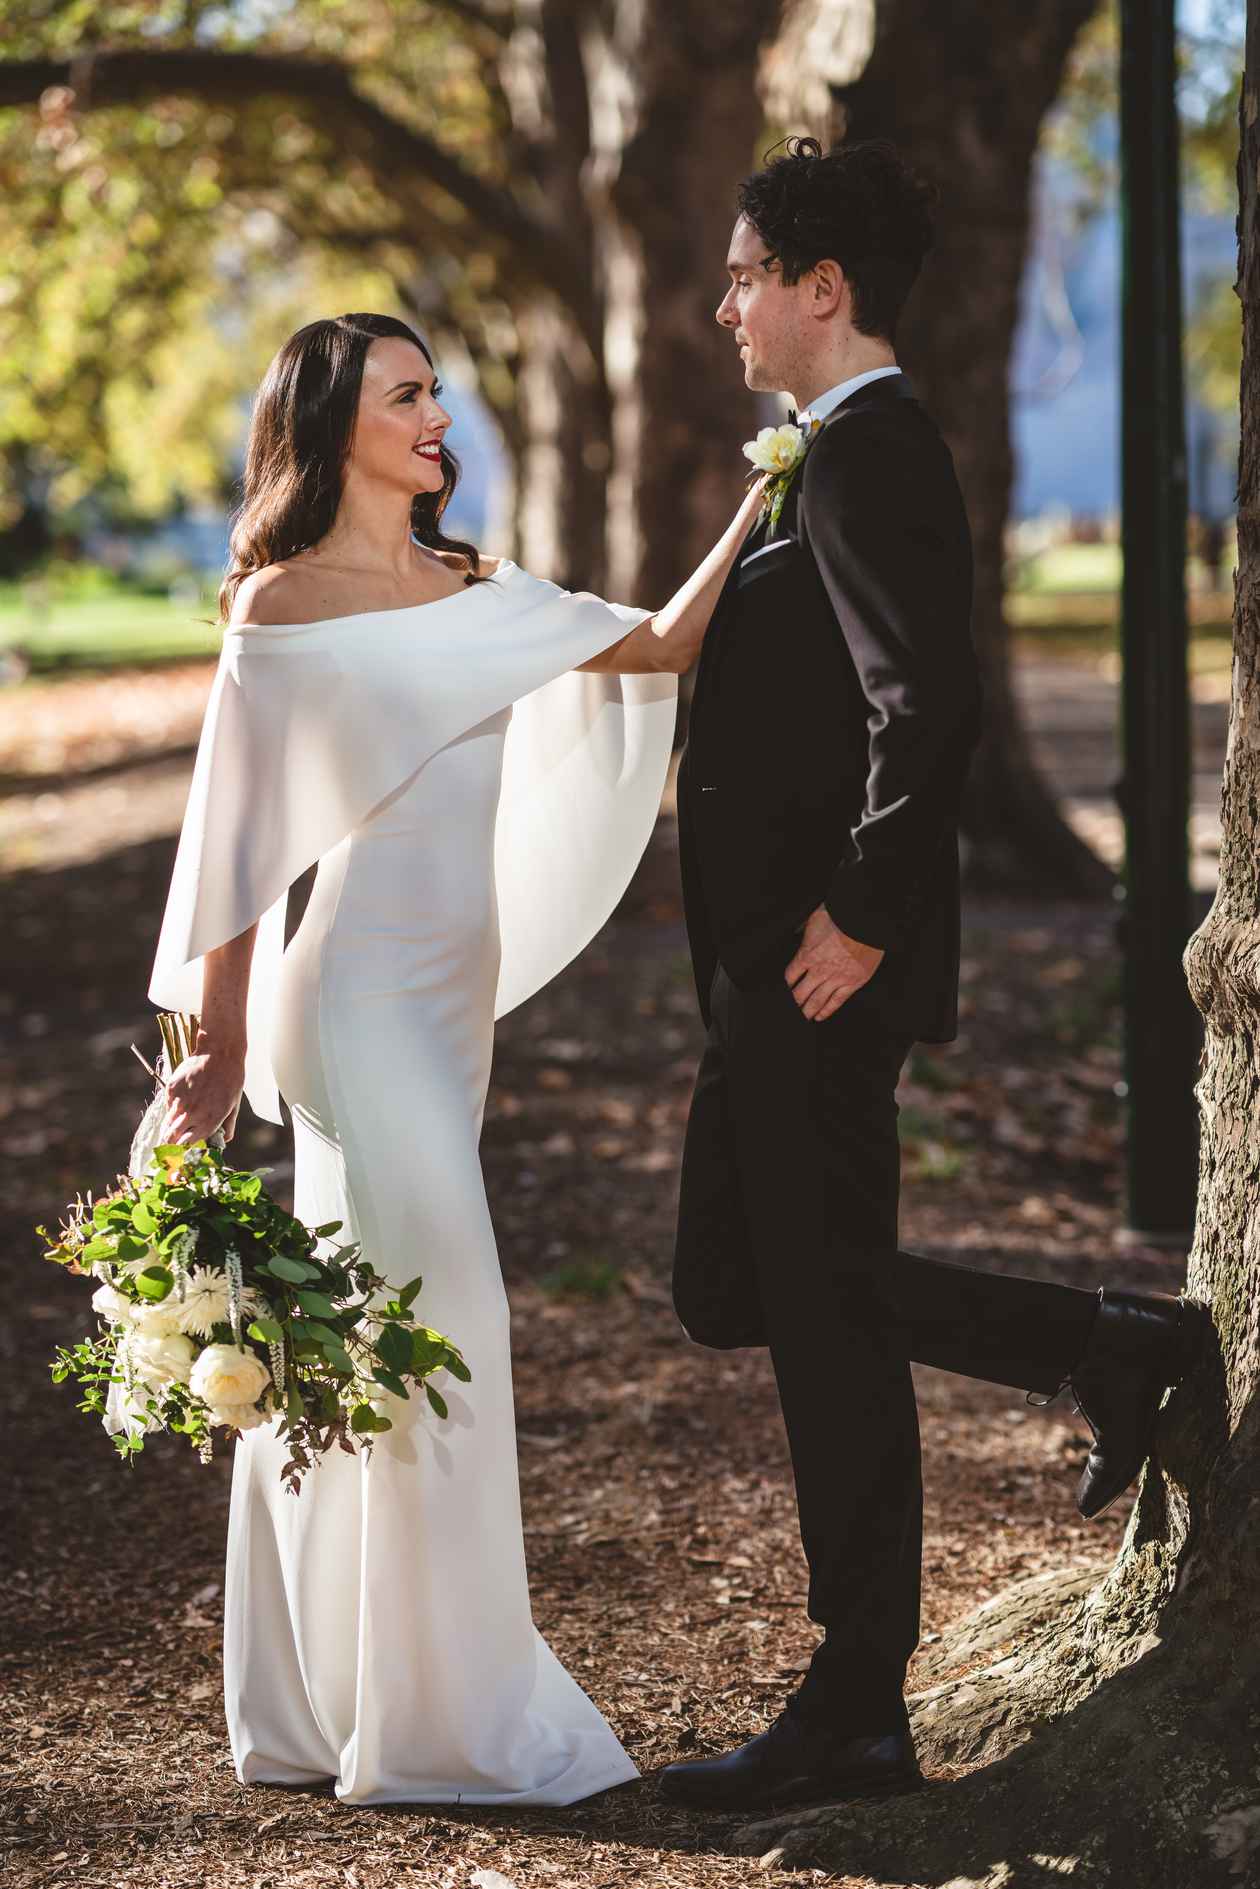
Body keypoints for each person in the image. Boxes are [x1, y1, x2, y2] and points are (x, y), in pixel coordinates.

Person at [149, 311, 767, 1806]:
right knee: (446, 1325)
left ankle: (323, 1703)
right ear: (335, 426)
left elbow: (667, 642)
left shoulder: (478, 587)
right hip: (350, 1009)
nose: (438, 416)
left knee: (366, 1342)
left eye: (436, 391)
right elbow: (236, 845)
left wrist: (782, 470)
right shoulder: (280, 606)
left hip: (449, 1012)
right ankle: (439, 1714)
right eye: (407, 396)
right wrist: (216, 1049)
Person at [660, 137, 1204, 1813]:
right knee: (744, 1282)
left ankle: (854, 1696)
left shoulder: (870, 455)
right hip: (774, 963)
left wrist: (867, 918)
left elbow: (929, 705)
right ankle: (1095, 1343)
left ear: (824, 288)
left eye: (748, 271)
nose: (728, 300)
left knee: (815, 1305)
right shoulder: (817, 456)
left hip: (822, 965)